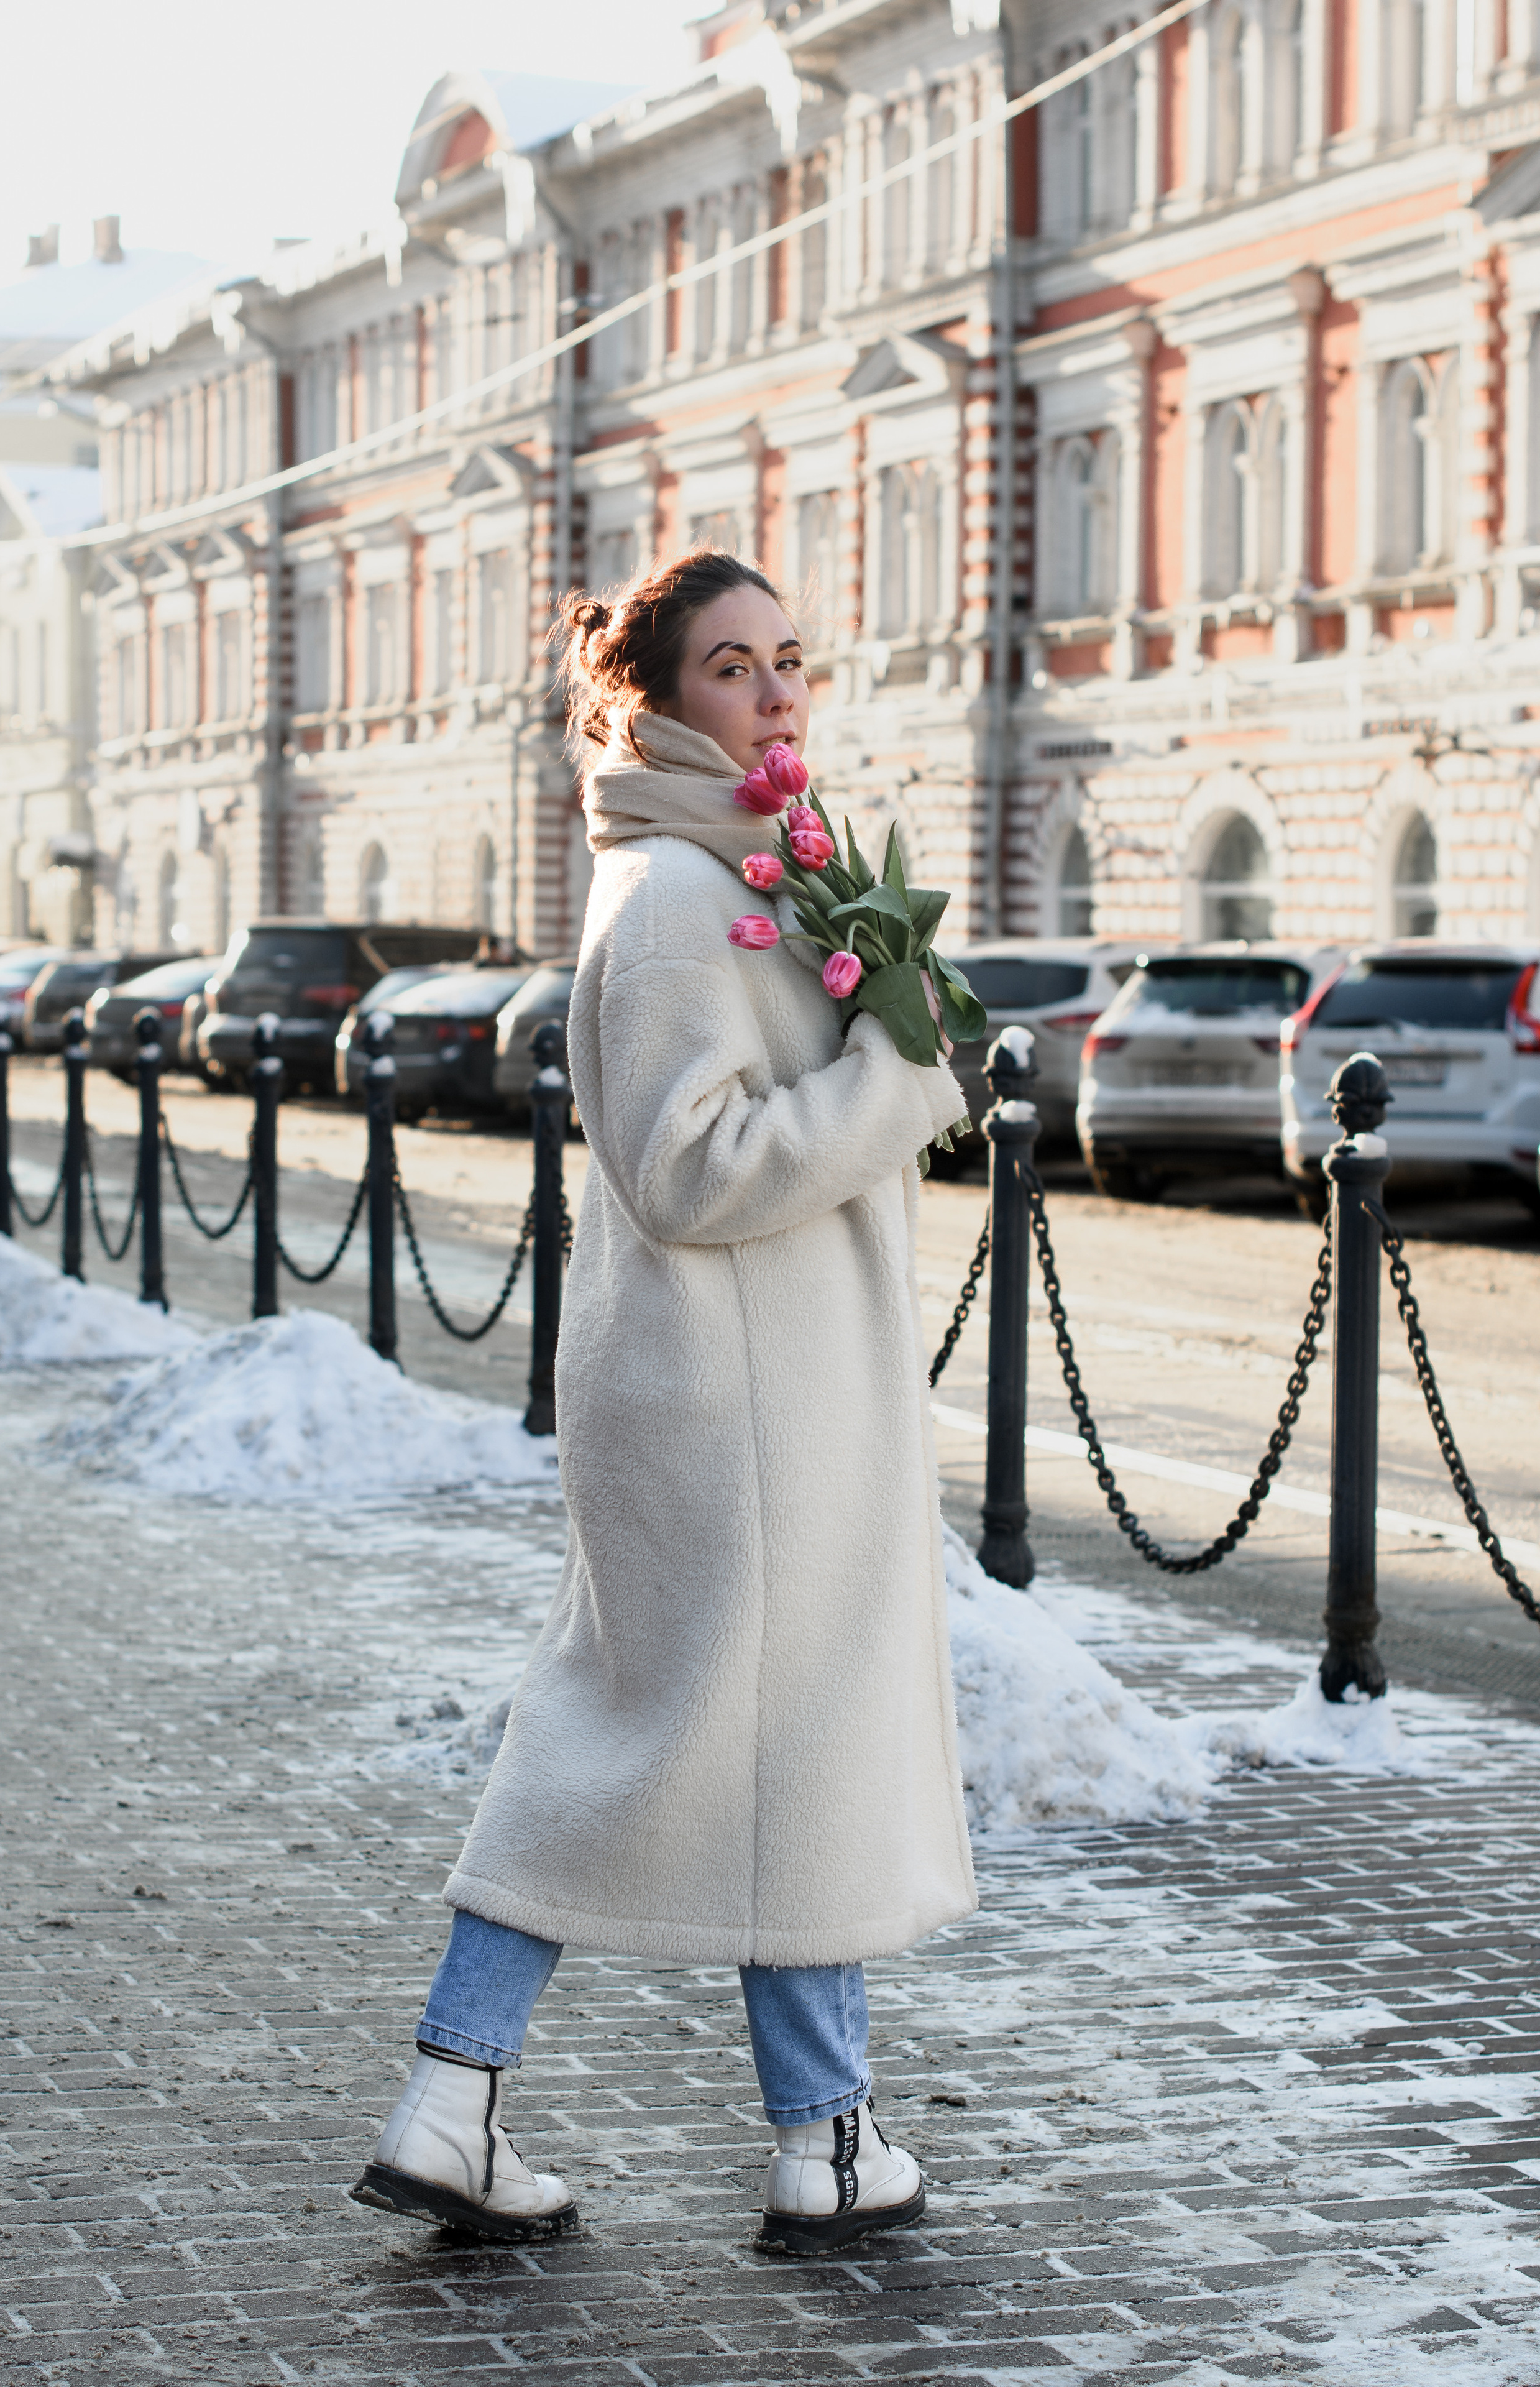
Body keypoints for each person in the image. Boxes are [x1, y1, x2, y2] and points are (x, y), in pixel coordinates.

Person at [352, 548, 976, 2256]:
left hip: (747, 1397)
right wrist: (896, 1083)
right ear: (652, 698)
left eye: (791, 661)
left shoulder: (741, 867)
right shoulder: (681, 898)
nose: (778, 694)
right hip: (744, 1411)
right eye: (733, 667)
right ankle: (815, 2140)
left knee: (662, 1737)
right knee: (731, 1737)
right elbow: (695, 1169)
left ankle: (473, 2101)